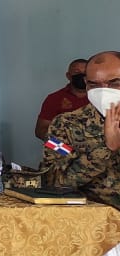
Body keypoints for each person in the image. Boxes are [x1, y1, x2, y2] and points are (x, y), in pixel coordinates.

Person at [40, 50, 120, 197]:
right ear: (86, 83)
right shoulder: (64, 125)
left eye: (115, 83)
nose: (104, 92)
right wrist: (106, 149)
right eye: (94, 85)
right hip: (96, 209)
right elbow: (53, 181)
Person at [35, 57, 90, 140]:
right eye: (77, 72)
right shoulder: (54, 98)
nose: (82, 76)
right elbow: (40, 131)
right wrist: (61, 147)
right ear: (68, 76)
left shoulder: (101, 97)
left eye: (85, 73)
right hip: (63, 146)